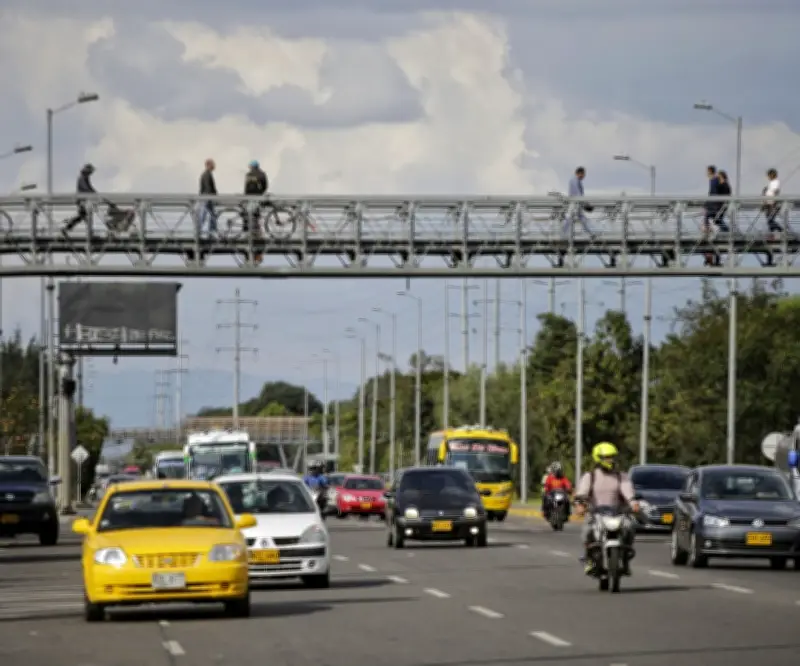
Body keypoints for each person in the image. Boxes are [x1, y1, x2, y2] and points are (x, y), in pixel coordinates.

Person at [573, 442, 639, 575]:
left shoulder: (621, 476)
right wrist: (580, 505)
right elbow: (582, 493)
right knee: (587, 531)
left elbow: (628, 492)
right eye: (607, 457)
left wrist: (634, 504)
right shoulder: (590, 476)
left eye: (612, 457)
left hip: (617, 513)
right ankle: (589, 559)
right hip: (596, 513)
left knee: (630, 526)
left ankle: (625, 557)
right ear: (598, 458)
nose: (610, 460)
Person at [63, 163, 96, 233]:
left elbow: (90, 187)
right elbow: (86, 188)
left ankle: (68, 226)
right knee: (85, 215)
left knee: (82, 216)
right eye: (90, 172)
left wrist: (95, 192)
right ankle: (89, 231)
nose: (91, 173)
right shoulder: (82, 178)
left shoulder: (85, 177)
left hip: (83, 200)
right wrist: (93, 193)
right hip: (81, 201)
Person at [562, 167, 595, 237]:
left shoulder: (577, 181)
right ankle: (562, 235)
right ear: (580, 173)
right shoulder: (574, 180)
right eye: (583, 174)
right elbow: (578, 193)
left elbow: (580, 194)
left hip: (578, 204)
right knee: (569, 219)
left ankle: (591, 234)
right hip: (574, 203)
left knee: (582, 218)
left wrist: (585, 203)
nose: (584, 176)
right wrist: (586, 203)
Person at [242, 160, 269, 232]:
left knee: (247, 212)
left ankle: (247, 228)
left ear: (252, 166)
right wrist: (260, 193)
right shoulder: (262, 174)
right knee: (256, 212)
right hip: (257, 196)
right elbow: (265, 186)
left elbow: (246, 187)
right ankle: (256, 229)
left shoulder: (248, 174)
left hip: (248, 196)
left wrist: (245, 195)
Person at [198, 158, 218, 235]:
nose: (214, 166)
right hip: (207, 197)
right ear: (209, 165)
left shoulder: (206, 174)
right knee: (204, 215)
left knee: (211, 214)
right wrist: (212, 196)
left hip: (206, 197)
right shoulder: (207, 174)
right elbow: (208, 187)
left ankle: (211, 231)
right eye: (213, 164)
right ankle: (201, 231)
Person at [763, 168, 782, 234]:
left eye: (769, 175)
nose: (768, 177)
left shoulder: (776, 182)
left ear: (772, 175)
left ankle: (780, 230)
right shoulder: (771, 183)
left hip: (772, 204)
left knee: (770, 220)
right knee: (769, 220)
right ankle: (772, 233)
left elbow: (775, 192)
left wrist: (774, 202)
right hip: (768, 203)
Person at [704, 165, 721, 234]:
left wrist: (707, 203)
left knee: (708, 215)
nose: (706, 173)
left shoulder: (714, 179)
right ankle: (709, 229)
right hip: (714, 202)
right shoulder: (713, 179)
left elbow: (713, 192)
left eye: (707, 171)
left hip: (714, 203)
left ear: (710, 171)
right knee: (709, 216)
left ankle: (709, 230)